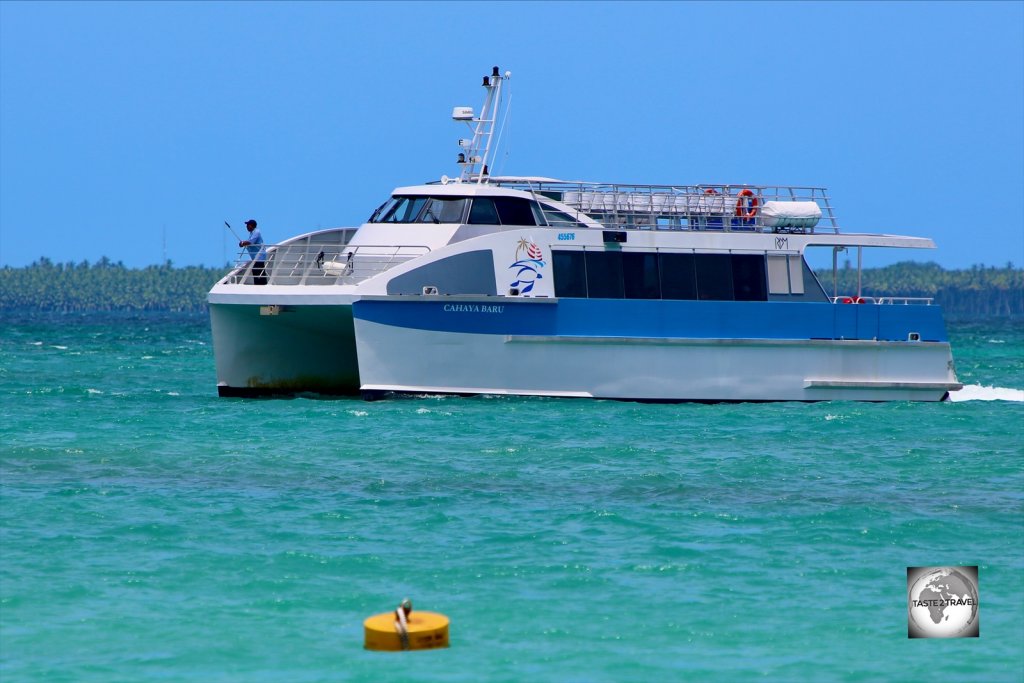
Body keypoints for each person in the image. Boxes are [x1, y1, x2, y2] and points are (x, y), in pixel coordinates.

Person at [239, 219, 267, 285]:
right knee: (255, 270)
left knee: (258, 270)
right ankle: (258, 284)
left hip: (259, 257)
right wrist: (243, 244)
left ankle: (261, 285)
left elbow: (251, 242)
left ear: (251, 226)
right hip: (256, 257)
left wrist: (243, 243)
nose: (246, 227)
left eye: (248, 225)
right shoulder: (252, 233)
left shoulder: (256, 232)